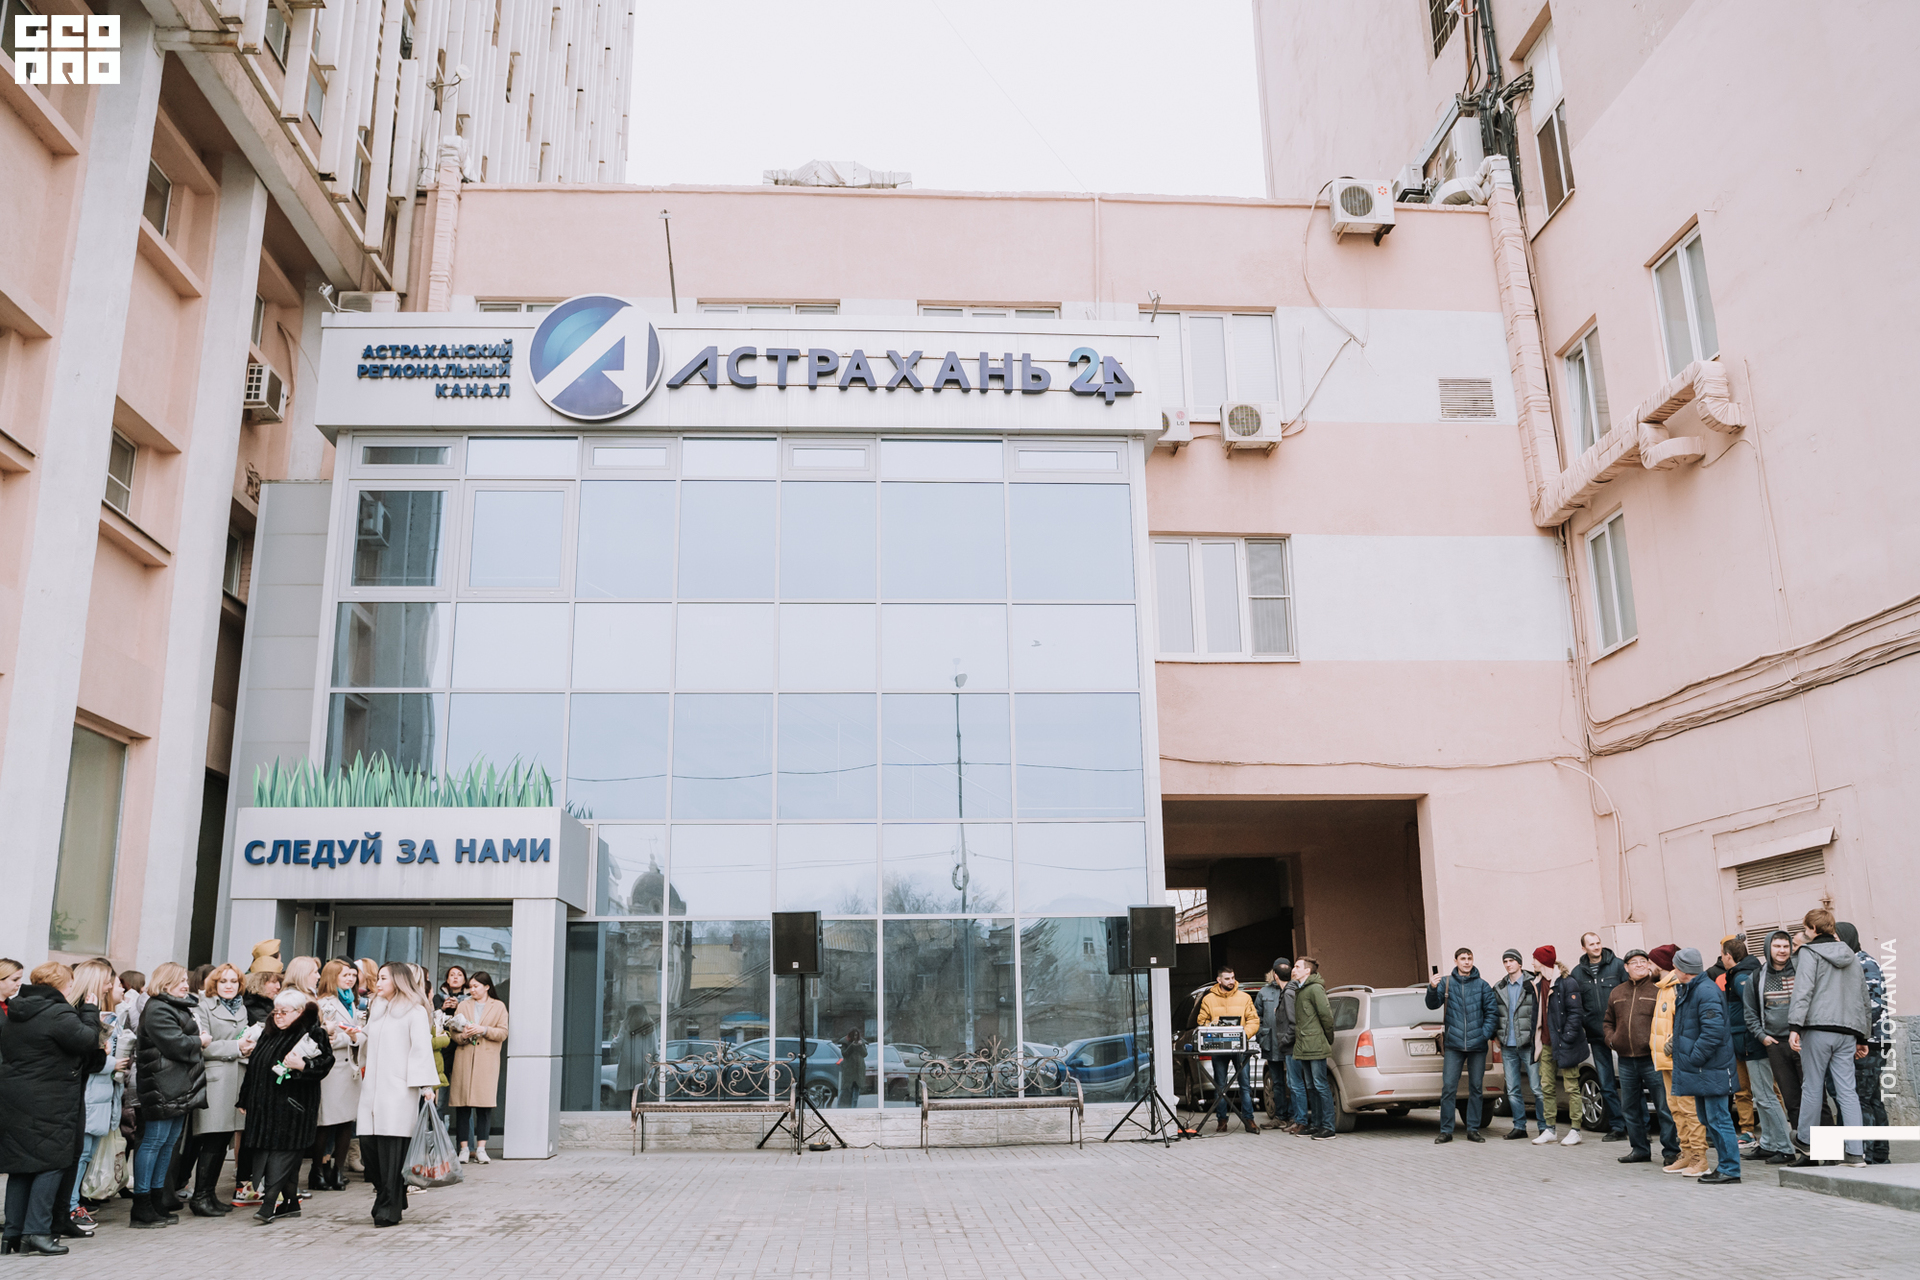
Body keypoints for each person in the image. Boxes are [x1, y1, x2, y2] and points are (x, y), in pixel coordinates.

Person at [0, 962, 105, 1256]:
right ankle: (37, 1232)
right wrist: (90, 1011)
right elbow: (87, 1040)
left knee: (22, 1167)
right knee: (52, 1163)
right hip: (51, 1099)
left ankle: (13, 1235)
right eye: (69, 983)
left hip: (16, 1097)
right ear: (61, 985)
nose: (71, 988)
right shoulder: (58, 1012)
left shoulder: (18, 1011)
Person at [238, 989, 335, 1224]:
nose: (278, 1016)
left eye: (284, 1012)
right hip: (264, 1106)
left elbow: (325, 1063)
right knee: (269, 1153)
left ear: (299, 1012)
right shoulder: (268, 1033)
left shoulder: (313, 1033)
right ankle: (290, 1203)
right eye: (275, 1011)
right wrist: (245, 1098)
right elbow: (254, 1068)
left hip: (294, 1108)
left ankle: (268, 1205)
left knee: (282, 1155)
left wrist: (303, 1066)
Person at [1786, 907, 1871, 1168]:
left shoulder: (1809, 953)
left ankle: (1805, 1139)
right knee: (1848, 1091)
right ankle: (1856, 1153)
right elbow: (1863, 997)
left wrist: (1794, 1026)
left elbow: (1803, 991)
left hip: (1818, 1028)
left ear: (1813, 929)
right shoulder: (1851, 956)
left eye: (1806, 928)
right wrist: (1863, 1036)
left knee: (1812, 1086)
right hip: (1847, 1032)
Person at [358, 962, 441, 1227]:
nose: (378, 983)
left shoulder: (415, 1011)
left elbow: (421, 1050)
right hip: (371, 1089)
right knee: (369, 1148)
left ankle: (388, 1207)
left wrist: (426, 1086)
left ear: (399, 981)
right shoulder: (377, 1009)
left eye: (384, 978)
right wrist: (354, 1035)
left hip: (399, 1091)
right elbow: (367, 1039)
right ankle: (391, 1194)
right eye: (378, 978)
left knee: (391, 1152)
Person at [129, 962, 207, 1228]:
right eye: (181, 980)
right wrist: (200, 1041)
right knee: (154, 1142)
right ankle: (141, 1204)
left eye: (186, 979)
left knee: (168, 1143)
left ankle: (156, 1199)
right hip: (161, 1085)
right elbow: (175, 1044)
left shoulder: (175, 1006)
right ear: (165, 983)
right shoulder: (158, 1008)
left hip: (178, 1084)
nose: (186, 985)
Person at [1669, 948, 1742, 1184]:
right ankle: (1725, 1166)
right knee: (1709, 1119)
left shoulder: (1705, 991)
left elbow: (1712, 1031)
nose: (1673, 970)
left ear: (1684, 969)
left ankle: (1730, 1169)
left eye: (1676, 966)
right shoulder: (1693, 989)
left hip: (1711, 1068)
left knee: (1719, 1119)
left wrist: (1694, 1058)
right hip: (1705, 1069)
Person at [1605, 949, 1680, 1166]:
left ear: (1648, 965)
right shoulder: (1617, 992)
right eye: (1633, 962)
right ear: (1625, 967)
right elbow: (1608, 1021)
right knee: (1630, 1108)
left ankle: (1670, 1151)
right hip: (1626, 1060)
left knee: (1663, 1107)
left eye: (1643, 961)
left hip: (1652, 1059)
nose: (1639, 965)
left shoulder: (1658, 990)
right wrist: (1612, 1040)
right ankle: (1639, 1149)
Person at [1719, 937, 1790, 1163]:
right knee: (1762, 1096)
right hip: (1752, 1042)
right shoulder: (1749, 973)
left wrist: (1761, 1036)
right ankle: (1769, 1143)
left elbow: (1756, 1008)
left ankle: (1786, 1146)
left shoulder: (1741, 977)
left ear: (1728, 956)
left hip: (1753, 1043)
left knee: (1766, 1096)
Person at [67, 959, 126, 1232]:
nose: (110, 986)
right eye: (107, 981)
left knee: (85, 1154)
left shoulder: (95, 1012)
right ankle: (70, 1206)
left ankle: (71, 1204)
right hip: (89, 1093)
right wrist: (109, 1060)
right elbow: (86, 1058)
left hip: (98, 1094)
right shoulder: (81, 1014)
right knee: (80, 1155)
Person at [189, 963, 246, 1216]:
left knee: (223, 1140)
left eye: (234, 981)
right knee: (212, 1139)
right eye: (223, 981)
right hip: (216, 1080)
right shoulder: (202, 1007)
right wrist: (236, 1047)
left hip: (237, 1077)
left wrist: (248, 1045)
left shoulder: (241, 1007)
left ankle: (209, 1194)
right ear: (214, 983)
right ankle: (200, 1197)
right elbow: (203, 1047)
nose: (229, 986)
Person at [1425, 947, 1497, 1145]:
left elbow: (1492, 1013)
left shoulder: (1483, 985)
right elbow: (1432, 1005)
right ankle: (1446, 1131)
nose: (1467, 962)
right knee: (1449, 1088)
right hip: (1454, 1045)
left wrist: (1483, 1035)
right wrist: (1432, 988)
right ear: (1455, 961)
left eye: (1469, 958)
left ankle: (1473, 1130)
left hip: (1477, 1046)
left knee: (1476, 1088)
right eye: (1463, 958)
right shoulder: (1446, 983)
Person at [305, 960, 363, 1191]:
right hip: (332, 1068)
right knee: (326, 1122)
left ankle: (338, 1170)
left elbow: (357, 1033)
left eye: (353, 975)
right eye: (345, 975)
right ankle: (317, 1170)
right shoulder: (323, 1003)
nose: (350, 979)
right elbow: (324, 1038)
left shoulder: (352, 1002)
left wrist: (353, 1037)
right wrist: (348, 1038)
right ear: (332, 976)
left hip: (350, 1069)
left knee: (347, 1121)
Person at [1836, 922, 1891, 1164]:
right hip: (1871, 1040)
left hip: (1869, 1043)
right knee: (1872, 1099)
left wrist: (1860, 1038)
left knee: (1862, 1099)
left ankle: (1866, 1154)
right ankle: (1879, 1155)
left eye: (1836, 938)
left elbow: (1872, 1006)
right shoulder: (1858, 961)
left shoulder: (1863, 963)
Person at [231, 965, 283, 1205]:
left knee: (258, 1134)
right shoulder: (252, 1008)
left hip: (264, 1073)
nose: (278, 986)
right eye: (273, 981)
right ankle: (245, 1185)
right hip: (252, 1073)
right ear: (260, 982)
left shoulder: (269, 1006)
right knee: (251, 1134)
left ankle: (256, 1183)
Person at [1571, 932, 1628, 1141]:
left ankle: (1639, 1127)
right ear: (1584, 948)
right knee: (1606, 1083)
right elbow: (1577, 1004)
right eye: (1591, 944)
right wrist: (1585, 1023)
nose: (1596, 947)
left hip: (1622, 1033)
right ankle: (1617, 1126)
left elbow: (1629, 994)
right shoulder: (1577, 973)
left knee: (1631, 1082)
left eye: (1598, 943)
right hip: (1597, 1035)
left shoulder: (1618, 966)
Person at [450, 970, 510, 1161]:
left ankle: (482, 1148)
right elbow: (453, 1032)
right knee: (462, 1106)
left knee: (484, 1106)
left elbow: (503, 1033)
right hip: (464, 1058)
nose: (472, 990)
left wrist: (483, 1030)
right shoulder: (463, 1005)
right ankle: (464, 1149)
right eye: (471, 986)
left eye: (476, 986)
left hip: (486, 1061)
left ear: (487, 986)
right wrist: (463, 1036)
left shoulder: (498, 1006)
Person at [1532, 946, 1588, 1146]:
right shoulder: (1536, 983)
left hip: (1565, 1043)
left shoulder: (1567, 982)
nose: (1532, 962)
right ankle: (1550, 1129)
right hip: (1546, 1043)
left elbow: (1575, 1013)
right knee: (1546, 1086)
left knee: (1571, 1086)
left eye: (1535, 959)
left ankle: (1575, 1130)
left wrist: (1567, 1038)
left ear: (1543, 961)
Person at [1195, 966, 1261, 1134]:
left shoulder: (1244, 997)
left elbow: (1253, 1020)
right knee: (1220, 1085)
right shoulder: (1208, 999)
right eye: (1227, 978)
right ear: (1219, 980)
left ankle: (1249, 1120)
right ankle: (1221, 1120)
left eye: (1232, 977)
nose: (1231, 981)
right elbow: (1202, 1021)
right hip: (1218, 1046)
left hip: (1240, 1046)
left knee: (1245, 1085)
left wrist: (1242, 1035)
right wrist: (1214, 1029)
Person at [1490, 949, 1542, 1139]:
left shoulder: (1533, 983)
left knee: (1537, 1088)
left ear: (1520, 963)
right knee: (1512, 1090)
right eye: (1505, 961)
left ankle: (1544, 1126)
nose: (1508, 964)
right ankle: (1519, 1127)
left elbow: (1542, 1011)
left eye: (1512, 960)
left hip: (1529, 1044)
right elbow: (1493, 1013)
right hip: (1508, 1045)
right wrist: (1495, 1036)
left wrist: (1538, 1036)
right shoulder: (1499, 987)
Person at [1291, 958, 1336, 1139]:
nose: (1293, 969)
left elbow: (1326, 1016)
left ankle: (1328, 1127)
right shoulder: (1301, 989)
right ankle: (1316, 1124)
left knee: (1320, 1085)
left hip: (1315, 1044)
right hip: (1304, 1045)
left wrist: (1327, 1038)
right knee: (1311, 1086)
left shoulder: (1315, 989)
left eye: (1297, 967)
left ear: (1307, 971)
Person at [1253, 959, 1293, 1123]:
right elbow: (1256, 1016)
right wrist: (1261, 1035)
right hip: (1271, 1043)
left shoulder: (1293, 989)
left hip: (1290, 1042)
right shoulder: (1264, 992)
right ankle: (1280, 1115)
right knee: (1277, 1081)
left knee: (1293, 1081)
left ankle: (1294, 1116)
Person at [436, 965, 468, 1098]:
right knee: (441, 1086)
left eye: (459, 975)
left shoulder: (469, 1000)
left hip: (463, 1045)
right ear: (447, 980)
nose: (455, 977)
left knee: (463, 1087)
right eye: (452, 975)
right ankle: (438, 1111)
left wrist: (459, 1007)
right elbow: (432, 1020)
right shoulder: (438, 998)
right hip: (444, 1047)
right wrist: (442, 1008)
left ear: (465, 980)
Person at [838, 1027, 868, 1109]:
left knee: (856, 1092)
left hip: (858, 1070)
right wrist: (852, 1046)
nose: (855, 1037)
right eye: (853, 1035)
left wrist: (860, 1045)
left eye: (856, 1035)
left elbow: (864, 1054)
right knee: (845, 1090)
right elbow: (844, 1054)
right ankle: (842, 1107)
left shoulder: (861, 1042)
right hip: (849, 1071)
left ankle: (853, 1108)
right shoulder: (845, 1042)